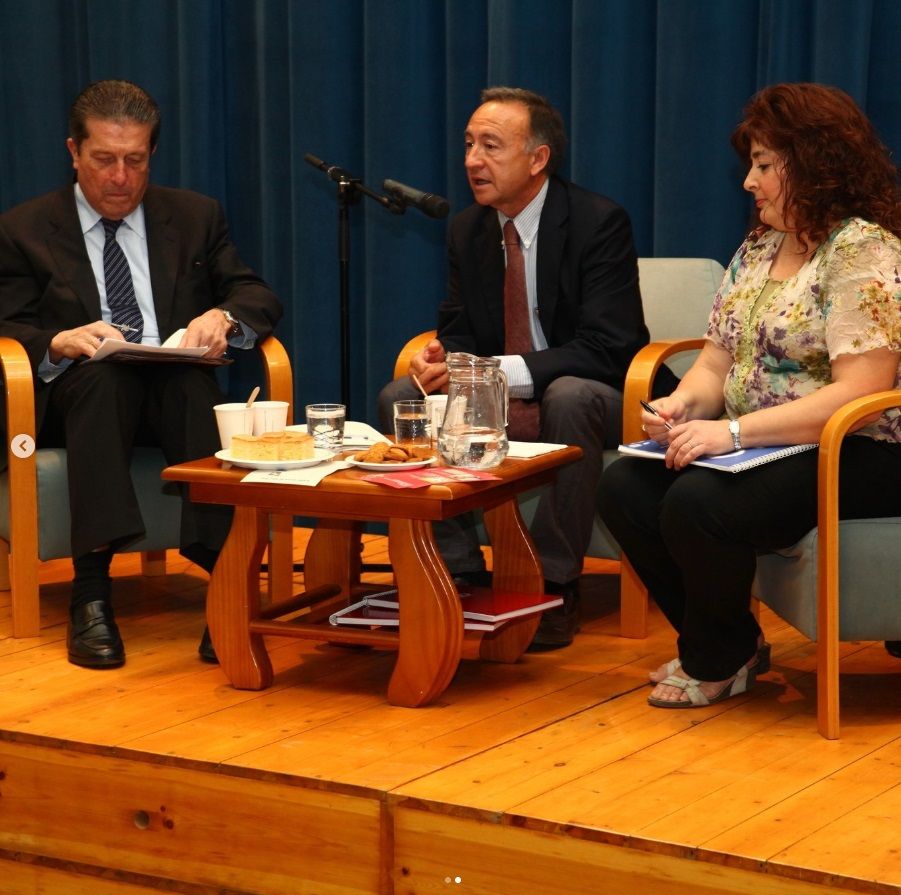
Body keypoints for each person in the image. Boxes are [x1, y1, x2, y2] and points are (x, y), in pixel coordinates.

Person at [599, 82, 901, 708]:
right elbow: (715, 364)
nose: (749, 182)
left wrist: (731, 435)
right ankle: (734, 642)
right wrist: (684, 406)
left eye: (764, 165)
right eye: (751, 166)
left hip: (859, 448)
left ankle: (715, 658)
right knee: (624, 487)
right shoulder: (758, 247)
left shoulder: (862, 251)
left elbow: (863, 391)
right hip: (760, 447)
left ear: (813, 165)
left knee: (699, 503)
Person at [0, 80, 282, 669]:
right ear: (73, 152)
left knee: (188, 383)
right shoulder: (25, 228)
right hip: (77, 398)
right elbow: (7, 323)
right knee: (105, 379)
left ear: (152, 154)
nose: (120, 177)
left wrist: (222, 316)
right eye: (104, 159)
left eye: (135, 160)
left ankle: (222, 582)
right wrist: (57, 340)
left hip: (170, 387)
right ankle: (92, 592)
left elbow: (252, 290)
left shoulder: (194, 216)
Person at [379, 86, 661, 650]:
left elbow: (609, 345)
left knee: (571, 395)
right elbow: (459, 328)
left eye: (491, 146)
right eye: (468, 145)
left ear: (538, 158)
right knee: (400, 397)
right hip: (501, 391)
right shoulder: (469, 229)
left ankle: (554, 583)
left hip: (602, 393)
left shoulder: (597, 221)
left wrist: (495, 373)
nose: (472, 161)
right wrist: (440, 360)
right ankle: (457, 571)